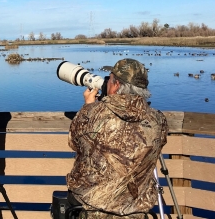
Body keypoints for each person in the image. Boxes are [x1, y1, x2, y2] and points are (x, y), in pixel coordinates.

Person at [67, 58, 168, 219]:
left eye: (110, 78)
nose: (106, 82)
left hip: (91, 209)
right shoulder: (158, 119)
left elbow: (74, 142)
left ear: (116, 84)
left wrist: (88, 106)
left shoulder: (92, 114)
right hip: (136, 210)